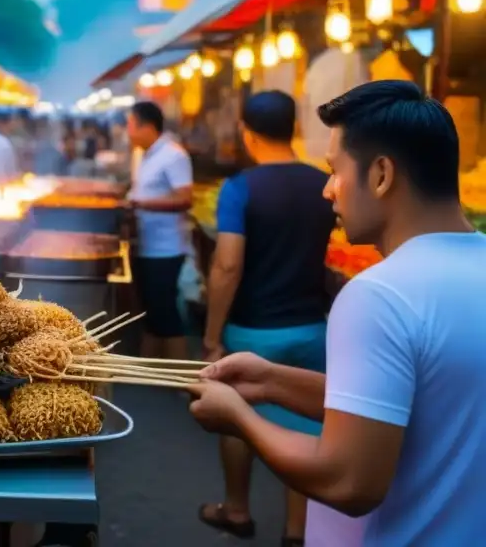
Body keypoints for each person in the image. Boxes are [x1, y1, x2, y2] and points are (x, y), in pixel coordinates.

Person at [188, 80, 486, 547]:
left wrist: (241, 417)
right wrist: (271, 382)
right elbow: (417, 404)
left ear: (382, 174)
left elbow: (348, 481)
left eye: (335, 170)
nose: (328, 190)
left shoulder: (379, 295)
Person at [199, 91, 336, 545]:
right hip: (312, 326)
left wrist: (212, 335)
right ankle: (297, 531)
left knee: (238, 416)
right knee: (309, 423)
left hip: (252, 329)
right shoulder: (325, 184)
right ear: (294, 128)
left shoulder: (240, 188)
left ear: (247, 132)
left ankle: (237, 509)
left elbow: (227, 265)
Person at [125, 101, 193, 360]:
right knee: (151, 309)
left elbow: (185, 199)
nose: (128, 132)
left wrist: (139, 204)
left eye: (130, 126)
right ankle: (148, 370)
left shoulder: (173, 155)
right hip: (147, 244)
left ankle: (180, 378)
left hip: (165, 248)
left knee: (165, 310)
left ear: (147, 127)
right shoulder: (147, 154)